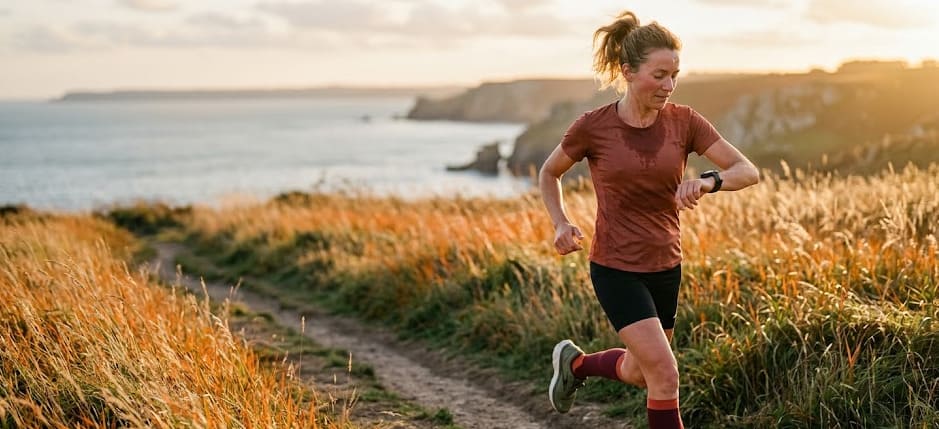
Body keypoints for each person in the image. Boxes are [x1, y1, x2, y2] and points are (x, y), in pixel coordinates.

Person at [539, 10, 760, 429]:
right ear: (628, 71)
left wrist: (709, 182)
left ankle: (576, 365)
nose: (669, 86)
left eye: (674, 75)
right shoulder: (593, 127)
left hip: (666, 266)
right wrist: (561, 223)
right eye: (659, 75)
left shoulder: (685, 121)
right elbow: (550, 172)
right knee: (666, 375)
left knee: (643, 372)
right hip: (616, 268)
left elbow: (746, 170)